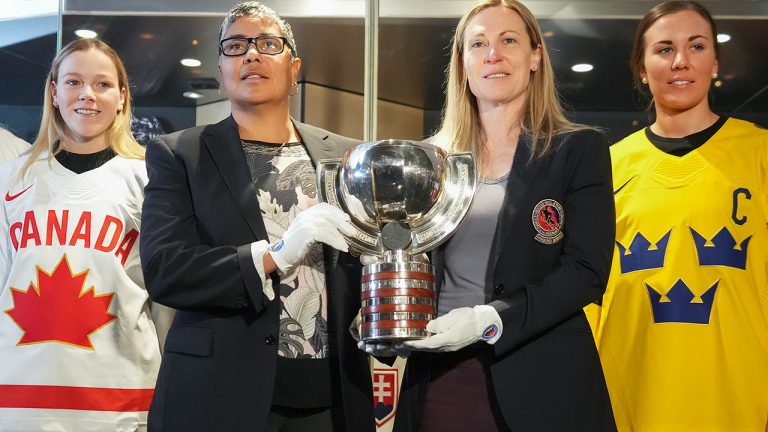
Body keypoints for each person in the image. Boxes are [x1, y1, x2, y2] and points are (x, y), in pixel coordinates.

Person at [365, 1, 617, 430]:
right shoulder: (429, 161)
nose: (492, 54)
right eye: (477, 43)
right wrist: (380, 306)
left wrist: (490, 319)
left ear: (535, 56)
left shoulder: (577, 151)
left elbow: (586, 272)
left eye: (509, 41)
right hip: (440, 376)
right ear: (462, 64)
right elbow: (406, 260)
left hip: (543, 376)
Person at [139, 2, 375, 431]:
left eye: (269, 44)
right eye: (236, 46)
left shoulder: (348, 156)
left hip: (332, 395)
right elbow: (165, 270)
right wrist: (274, 255)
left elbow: (367, 259)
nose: (251, 54)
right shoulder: (180, 154)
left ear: (294, 68)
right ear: (221, 69)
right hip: (218, 393)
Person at [590, 1, 768, 431]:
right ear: (642, 68)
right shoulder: (605, 168)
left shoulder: (760, 153)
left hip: (738, 399)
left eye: (696, 46)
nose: (681, 61)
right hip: (626, 398)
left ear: (715, 62)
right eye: (664, 49)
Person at [0, 38, 173, 431]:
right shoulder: (11, 180)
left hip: (119, 397)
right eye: (74, 82)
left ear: (123, 97)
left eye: (102, 84)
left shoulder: (152, 180)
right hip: (19, 395)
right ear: (54, 93)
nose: (87, 95)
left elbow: (165, 302)